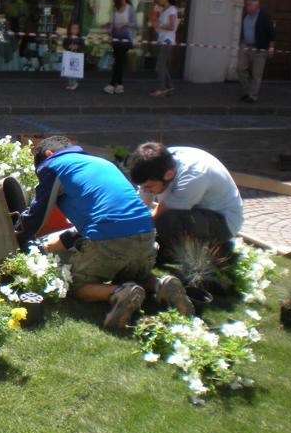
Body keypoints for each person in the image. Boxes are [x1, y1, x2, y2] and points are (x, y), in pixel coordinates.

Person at [17, 136, 192, 331]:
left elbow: (37, 215)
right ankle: (161, 285)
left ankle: (119, 293)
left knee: (71, 285)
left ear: (48, 154)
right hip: (146, 234)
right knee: (129, 271)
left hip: (110, 238)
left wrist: (19, 236)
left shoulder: (52, 165)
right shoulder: (102, 163)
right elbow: (104, 214)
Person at [127, 142, 244, 264]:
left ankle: (218, 250)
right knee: (155, 226)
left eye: (149, 186)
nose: (146, 190)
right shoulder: (156, 164)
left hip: (224, 222)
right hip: (195, 212)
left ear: (169, 175)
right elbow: (141, 203)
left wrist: (132, 236)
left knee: (166, 221)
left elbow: (159, 215)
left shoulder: (193, 176)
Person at [237, 0, 275, 104]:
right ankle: (247, 90)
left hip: (259, 49)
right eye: (246, 4)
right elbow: (243, 30)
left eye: (249, 5)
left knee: (256, 74)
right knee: (240, 69)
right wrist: (242, 43)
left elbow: (272, 33)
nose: (246, 6)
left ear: (256, 6)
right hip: (246, 47)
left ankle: (253, 96)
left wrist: (271, 47)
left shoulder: (264, 17)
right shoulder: (245, 16)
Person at [103, 0, 137, 95]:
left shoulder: (130, 8)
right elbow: (112, 25)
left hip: (126, 38)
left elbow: (135, 23)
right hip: (116, 38)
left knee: (119, 61)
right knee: (119, 61)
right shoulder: (114, 8)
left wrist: (124, 24)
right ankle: (120, 85)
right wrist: (109, 35)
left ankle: (112, 84)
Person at [150, 0, 177, 97]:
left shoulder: (172, 9)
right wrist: (153, 21)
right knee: (162, 64)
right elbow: (157, 25)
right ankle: (169, 86)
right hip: (162, 39)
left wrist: (159, 25)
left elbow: (172, 26)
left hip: (168, 40)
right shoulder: (163, 10)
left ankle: (161, 89)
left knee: (160, 64)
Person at [62, 22, 84, 91]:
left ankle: (75, 83)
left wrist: (77, 47)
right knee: (68, 70)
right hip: (69, 56)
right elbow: (64, 45)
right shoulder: (67, 38)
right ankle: (70, 83)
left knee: (74, 70)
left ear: (78, 30)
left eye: (76, 28)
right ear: (70, 29)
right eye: (73, 28)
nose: (74, 30)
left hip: (76, 56)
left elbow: (83, 46)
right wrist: (68, 46)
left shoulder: (80, 38)